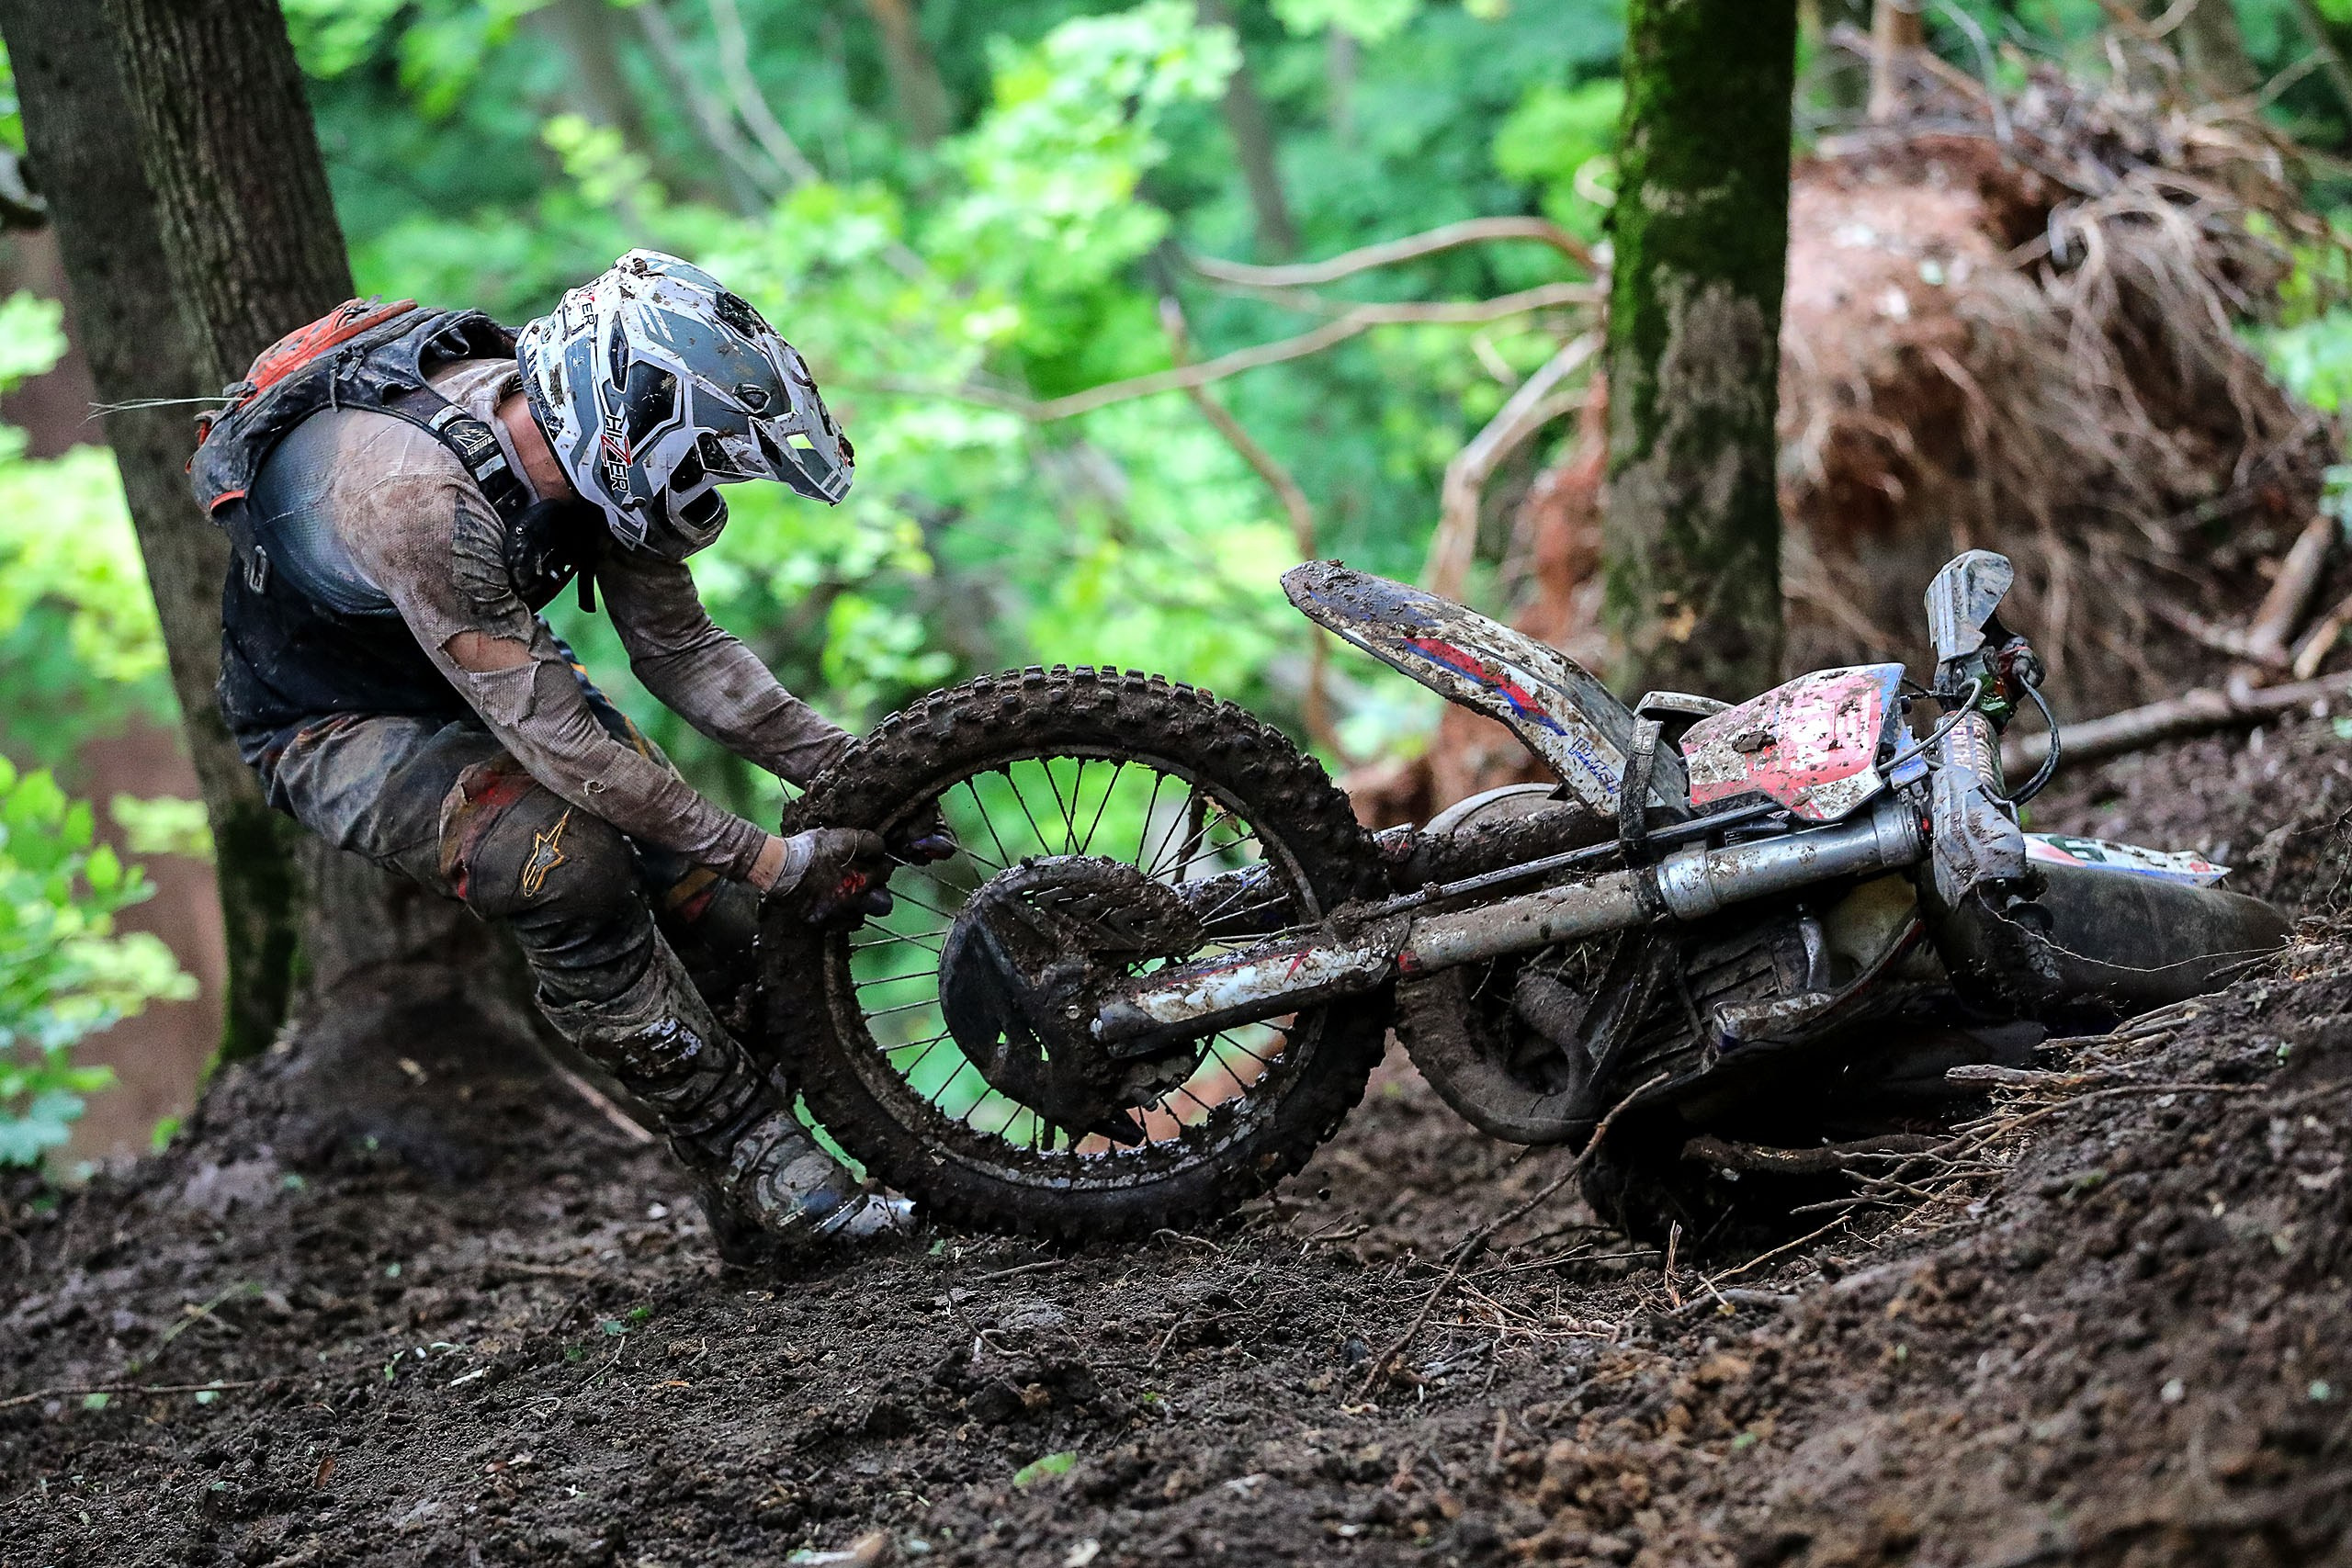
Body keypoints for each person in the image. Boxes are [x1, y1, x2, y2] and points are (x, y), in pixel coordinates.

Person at [189, 250, 945, 1258]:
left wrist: (864, 775)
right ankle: (755, 1156)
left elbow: (685, 654)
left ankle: (774, 1221)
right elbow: (557, 743)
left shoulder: (603, 465)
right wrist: (774, 857)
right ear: (628, 415)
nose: (706, 483)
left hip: (498, 678)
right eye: (704, 455)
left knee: (726, 918)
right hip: (336, 723)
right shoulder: (419, 496)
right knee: (563, 862)